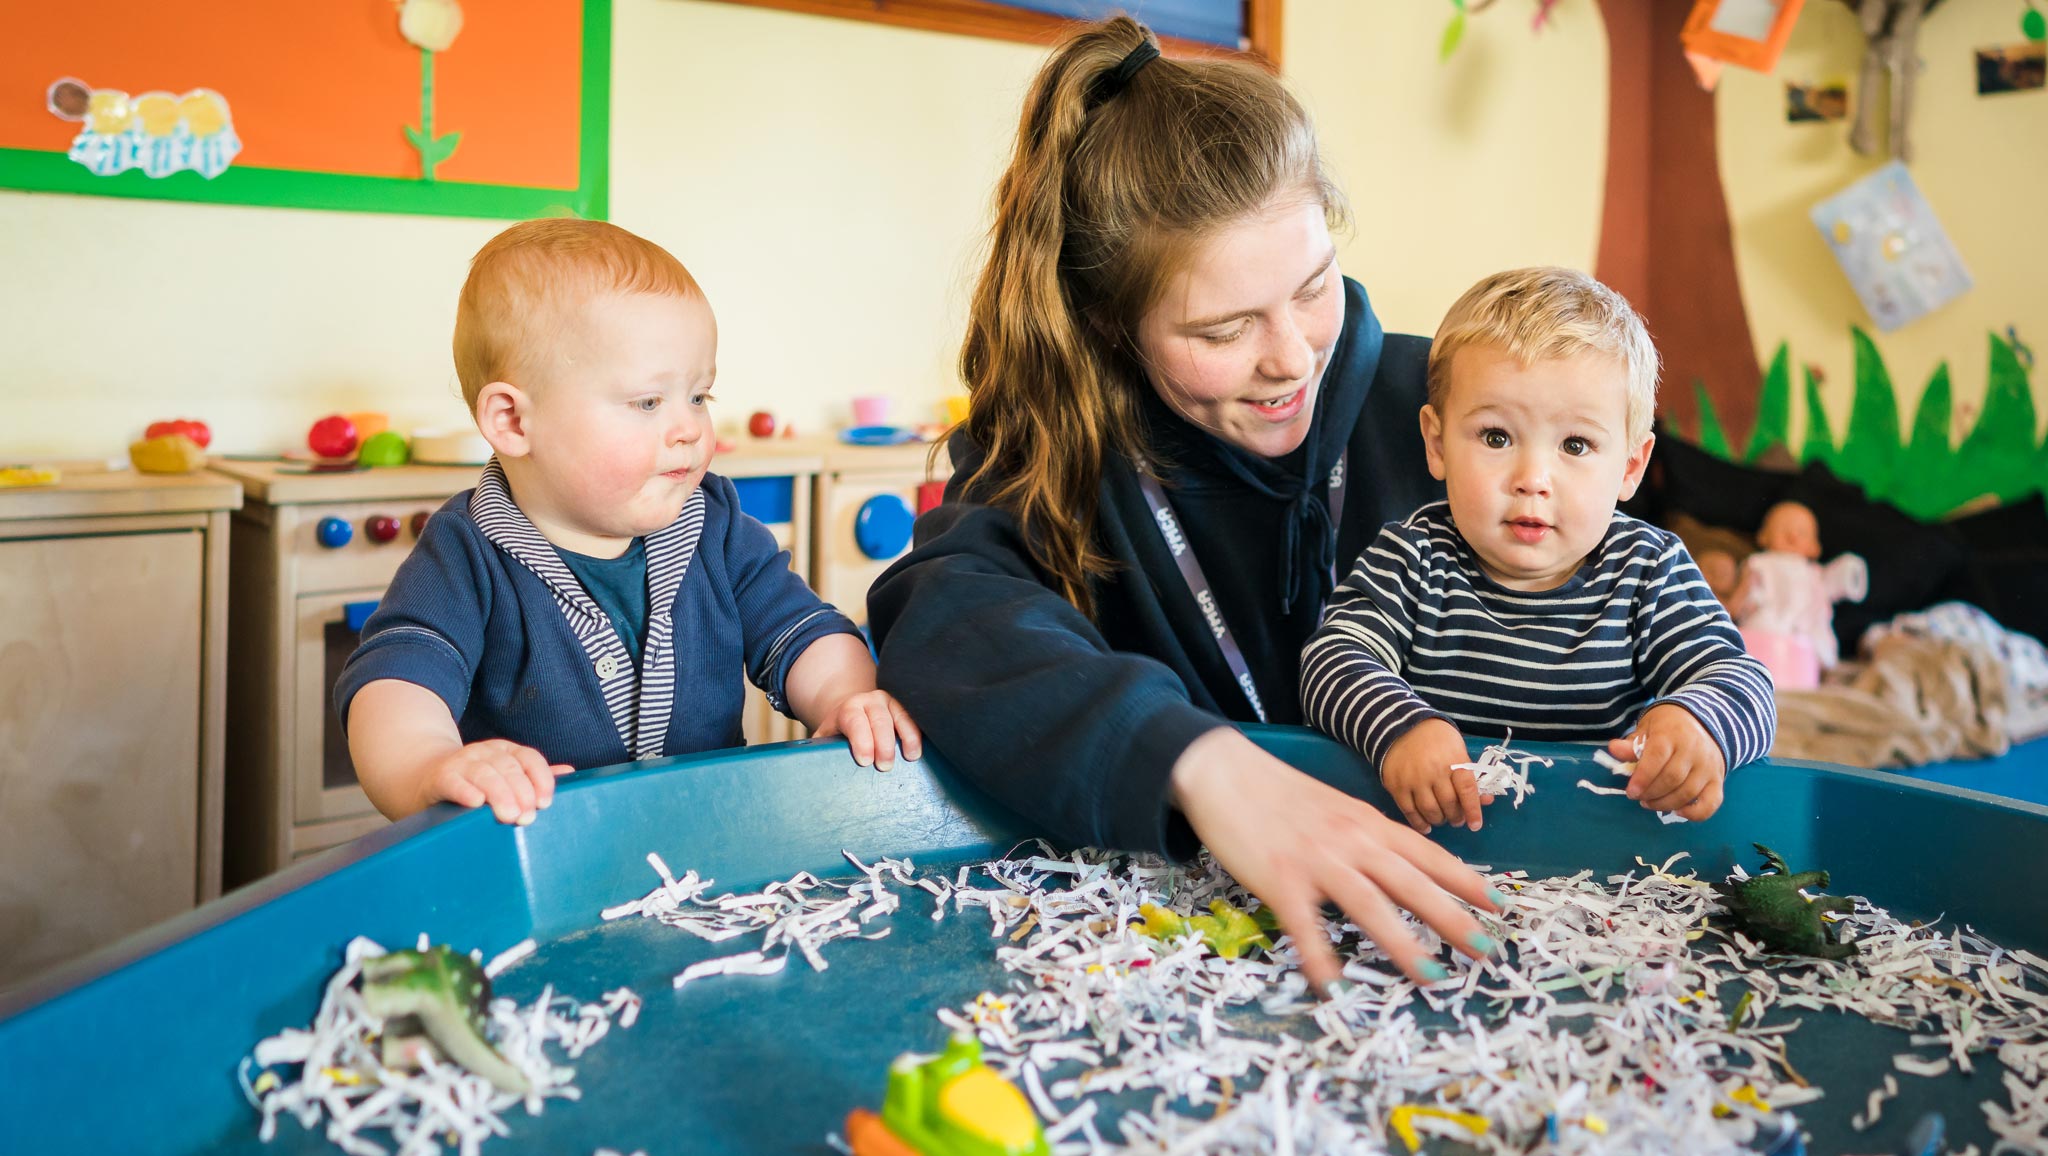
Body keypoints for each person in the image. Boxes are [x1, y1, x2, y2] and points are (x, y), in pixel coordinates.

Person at [867, 17, 1502, 992]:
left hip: (1458, 910)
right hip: (1191, 959)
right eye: (1223, 326)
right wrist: (1199, 761)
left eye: (1313, 286)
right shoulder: (1051, 452)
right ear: (1109, 321)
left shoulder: (1454, 410)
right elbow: (944, 614)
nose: (1289, 355)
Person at [338, 219, 919, 826]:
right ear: (512, 421)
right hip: (545, 865)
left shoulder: (714, 526)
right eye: (648, 402)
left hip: (712, 847)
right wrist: (430, 766)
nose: (689, 428)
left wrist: (850, 699)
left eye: (699, 397)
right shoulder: (467, 554)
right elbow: (396, 684)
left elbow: (803, 633)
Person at [1300, 267, 1777, 834]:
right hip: (1441, 843)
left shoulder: (1648, 570)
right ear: (1437, 444)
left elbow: (1740, 679)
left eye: (1575, 444)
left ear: (1629, 467)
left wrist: (1696, 723)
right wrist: (1401, 727)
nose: (1533, 478)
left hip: (1604, 856)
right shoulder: (1411, 556)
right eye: (1496, 437)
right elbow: (1331, 660)